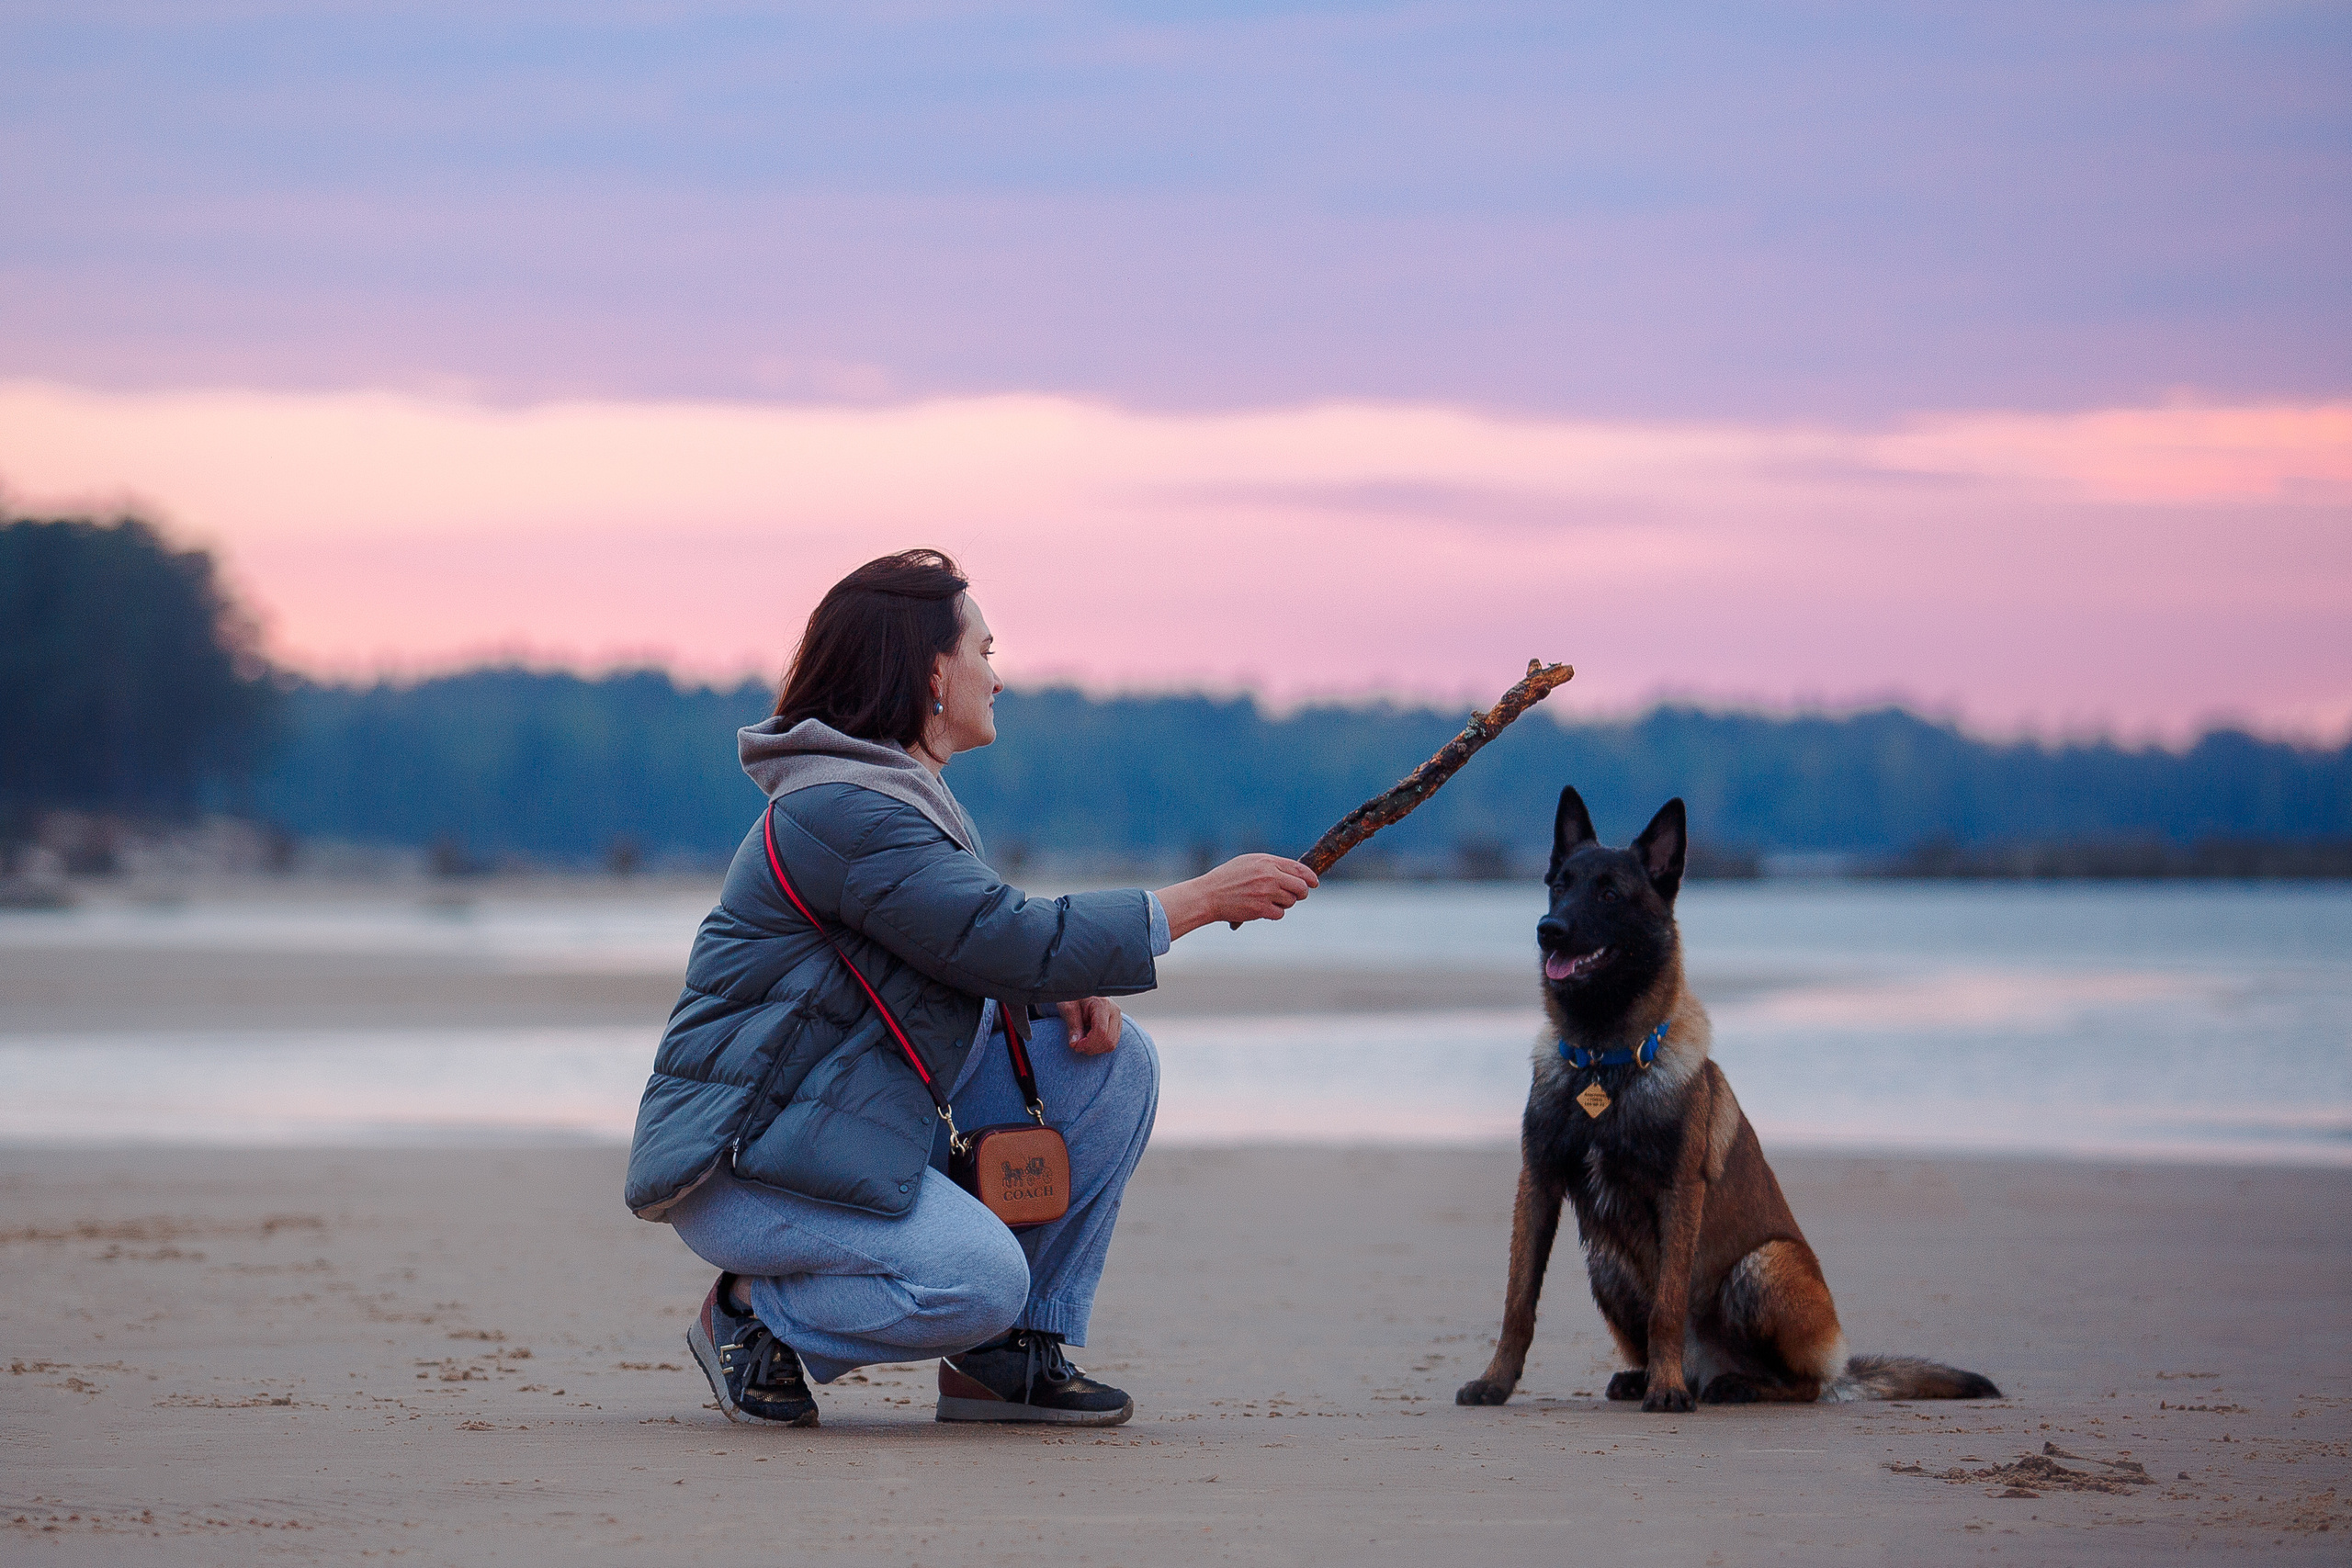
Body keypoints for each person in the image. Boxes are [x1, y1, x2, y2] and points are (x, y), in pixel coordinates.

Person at [624, 548, 1317, 1428]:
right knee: (978, 1280)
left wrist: (1044, 995)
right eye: (984, 651)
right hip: (754, 1161)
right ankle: (752, 1310)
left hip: (840, 1126)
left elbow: (941, 958)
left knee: (1112, 1065)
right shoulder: (844, 809)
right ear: (932, 673)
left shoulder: (899, 797)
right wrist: (1202, 900)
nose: (998, 676)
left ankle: (1006, 1357)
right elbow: (1002, 936)